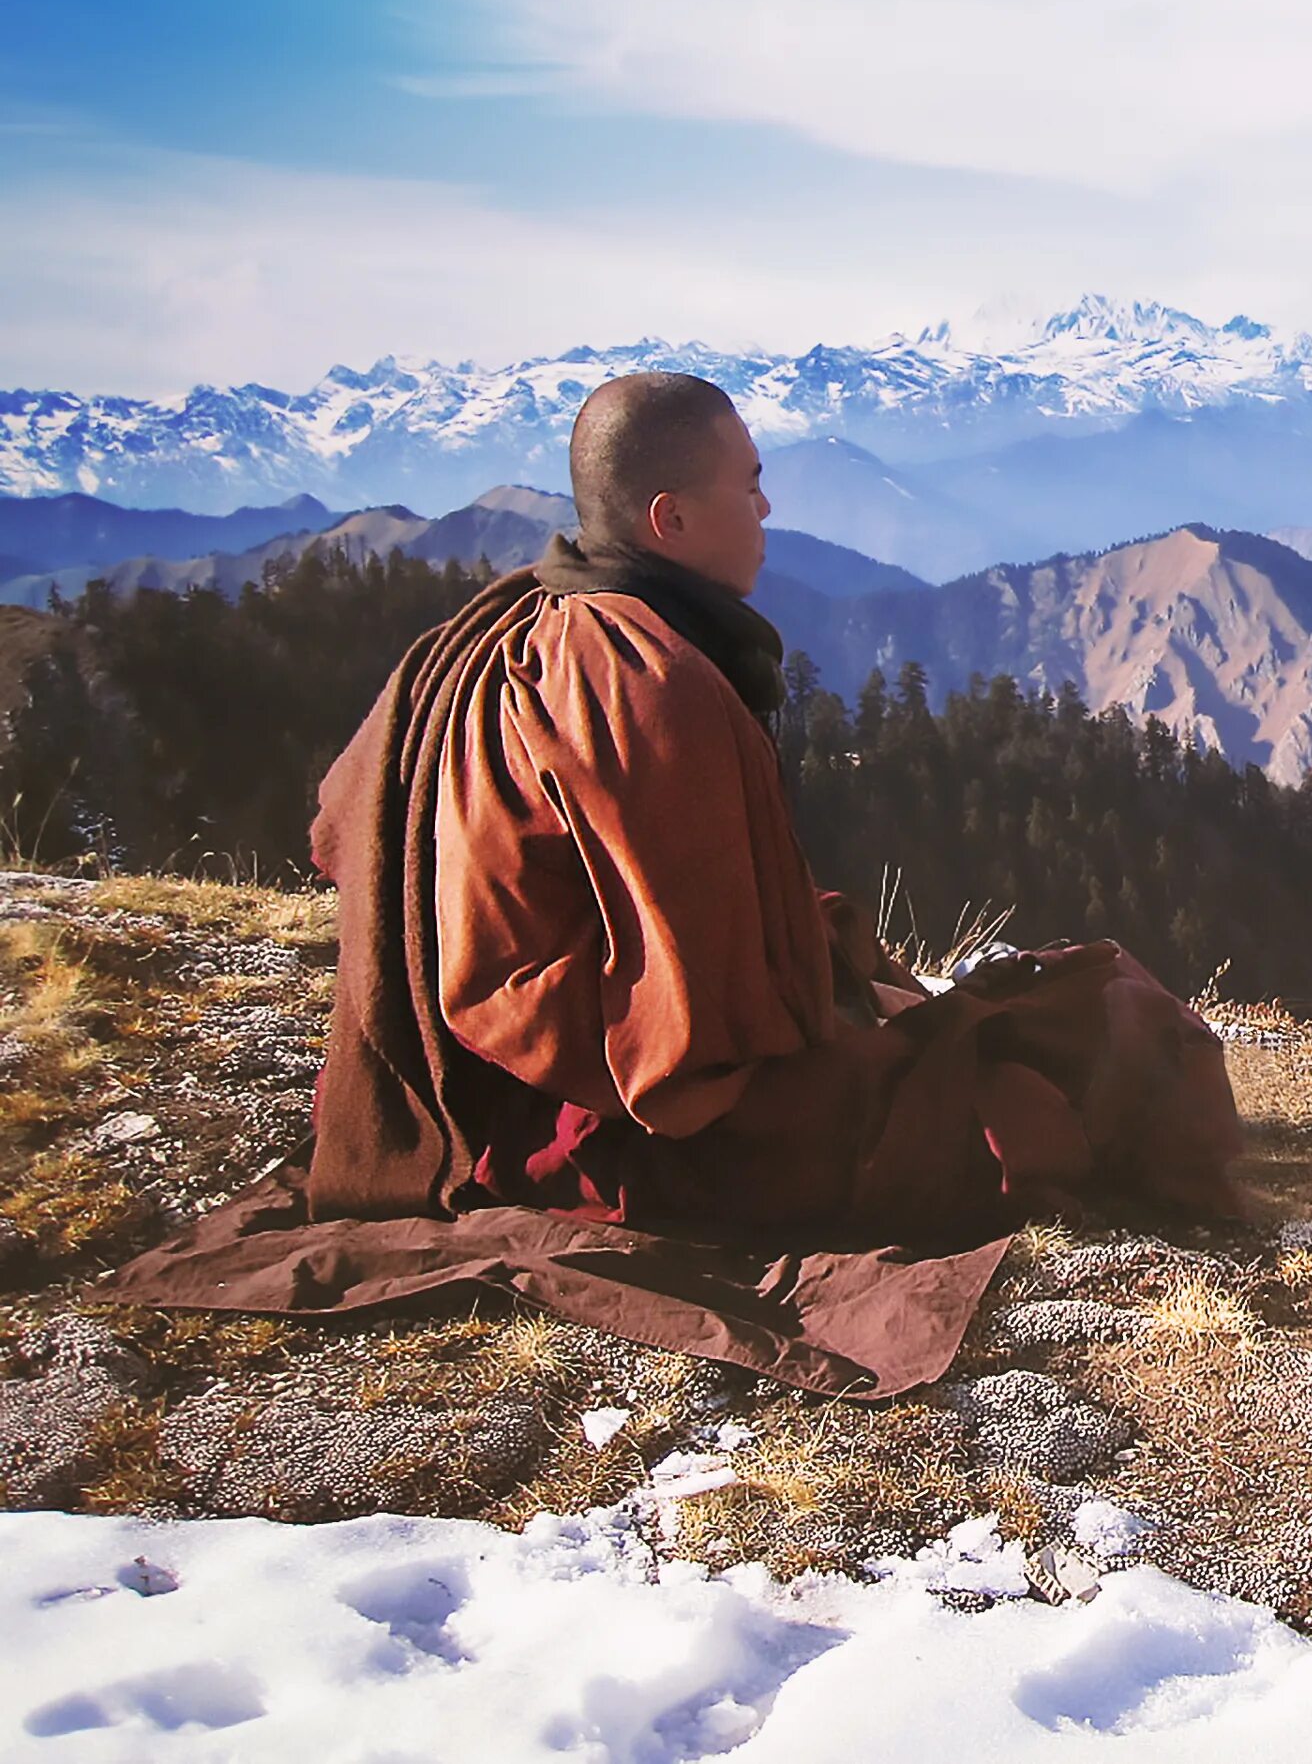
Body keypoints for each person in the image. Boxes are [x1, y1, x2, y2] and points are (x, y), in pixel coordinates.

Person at [301, 370, 1246, 1242]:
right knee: (1093, 1057)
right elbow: (696, 1052)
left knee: (1033, 1016)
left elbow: (344, 827)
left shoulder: (506, 629)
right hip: (614, 1127)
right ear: (668, 519)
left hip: (489, 1087)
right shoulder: (645, 690)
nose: (765, 508)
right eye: (748, 484)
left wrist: (837, 975)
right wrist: (853, 1023)